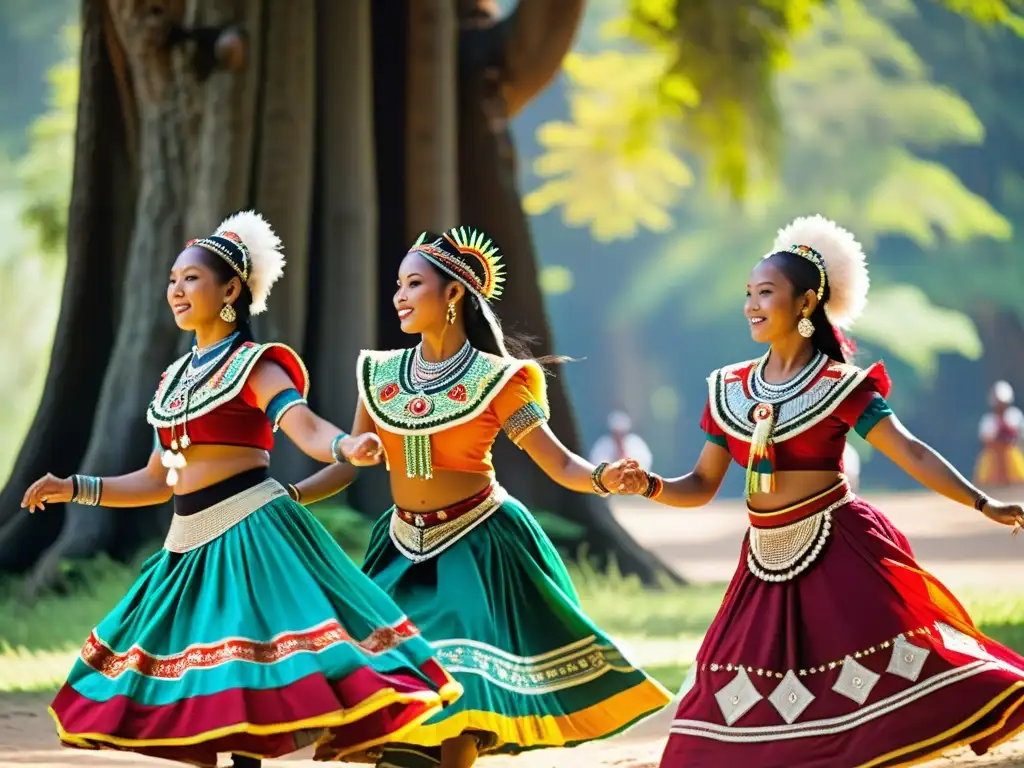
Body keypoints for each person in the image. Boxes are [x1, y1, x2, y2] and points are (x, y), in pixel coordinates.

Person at [21, 212, 461, 768]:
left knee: (246, 679)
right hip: (186, 546)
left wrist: (346, 448)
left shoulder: (256, 365)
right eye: (173, 279)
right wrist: (75, 488)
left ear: (231, 289)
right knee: (191, 702)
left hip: (248, 535)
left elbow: (304, 426)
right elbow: (157, 481)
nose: (177, 290)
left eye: (191, 279)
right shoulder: (174, 378)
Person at [626, 215, 1024, 767]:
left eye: (766, 293)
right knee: (720, 705)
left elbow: (910, 451)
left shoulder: (842, 387)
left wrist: (984, 503)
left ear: (807, 302)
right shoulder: (728, 389)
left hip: (842, 552)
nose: (751, 306)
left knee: (888, 683)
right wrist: (646, 484)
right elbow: (699, 485)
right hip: (762, 562)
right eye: (748, 294)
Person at [292, 228, 671, 768]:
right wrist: (289, 495)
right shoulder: (378, 375)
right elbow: (346, 467)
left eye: (414, 284)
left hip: (478, 545)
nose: (399, 296)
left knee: (457, 677)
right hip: (401, 546)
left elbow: (560, 463)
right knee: (392, 684)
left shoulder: (500, 380)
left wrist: (606, 477)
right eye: (397, 285)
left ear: (452, 295)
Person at [974, 380, 1024, 488]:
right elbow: (985, 442)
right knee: (986, 460)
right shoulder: (988, 420)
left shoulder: (1016, 416)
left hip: (1011, 454)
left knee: (1014, 455)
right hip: (993, 456)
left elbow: (1019, 439)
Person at [589, 410, 654, 471]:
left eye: (622, 434)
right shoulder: (603, 445)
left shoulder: (636, 444)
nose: (619, 437)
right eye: (616, 434)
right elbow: (597, 468)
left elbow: (645, 466)